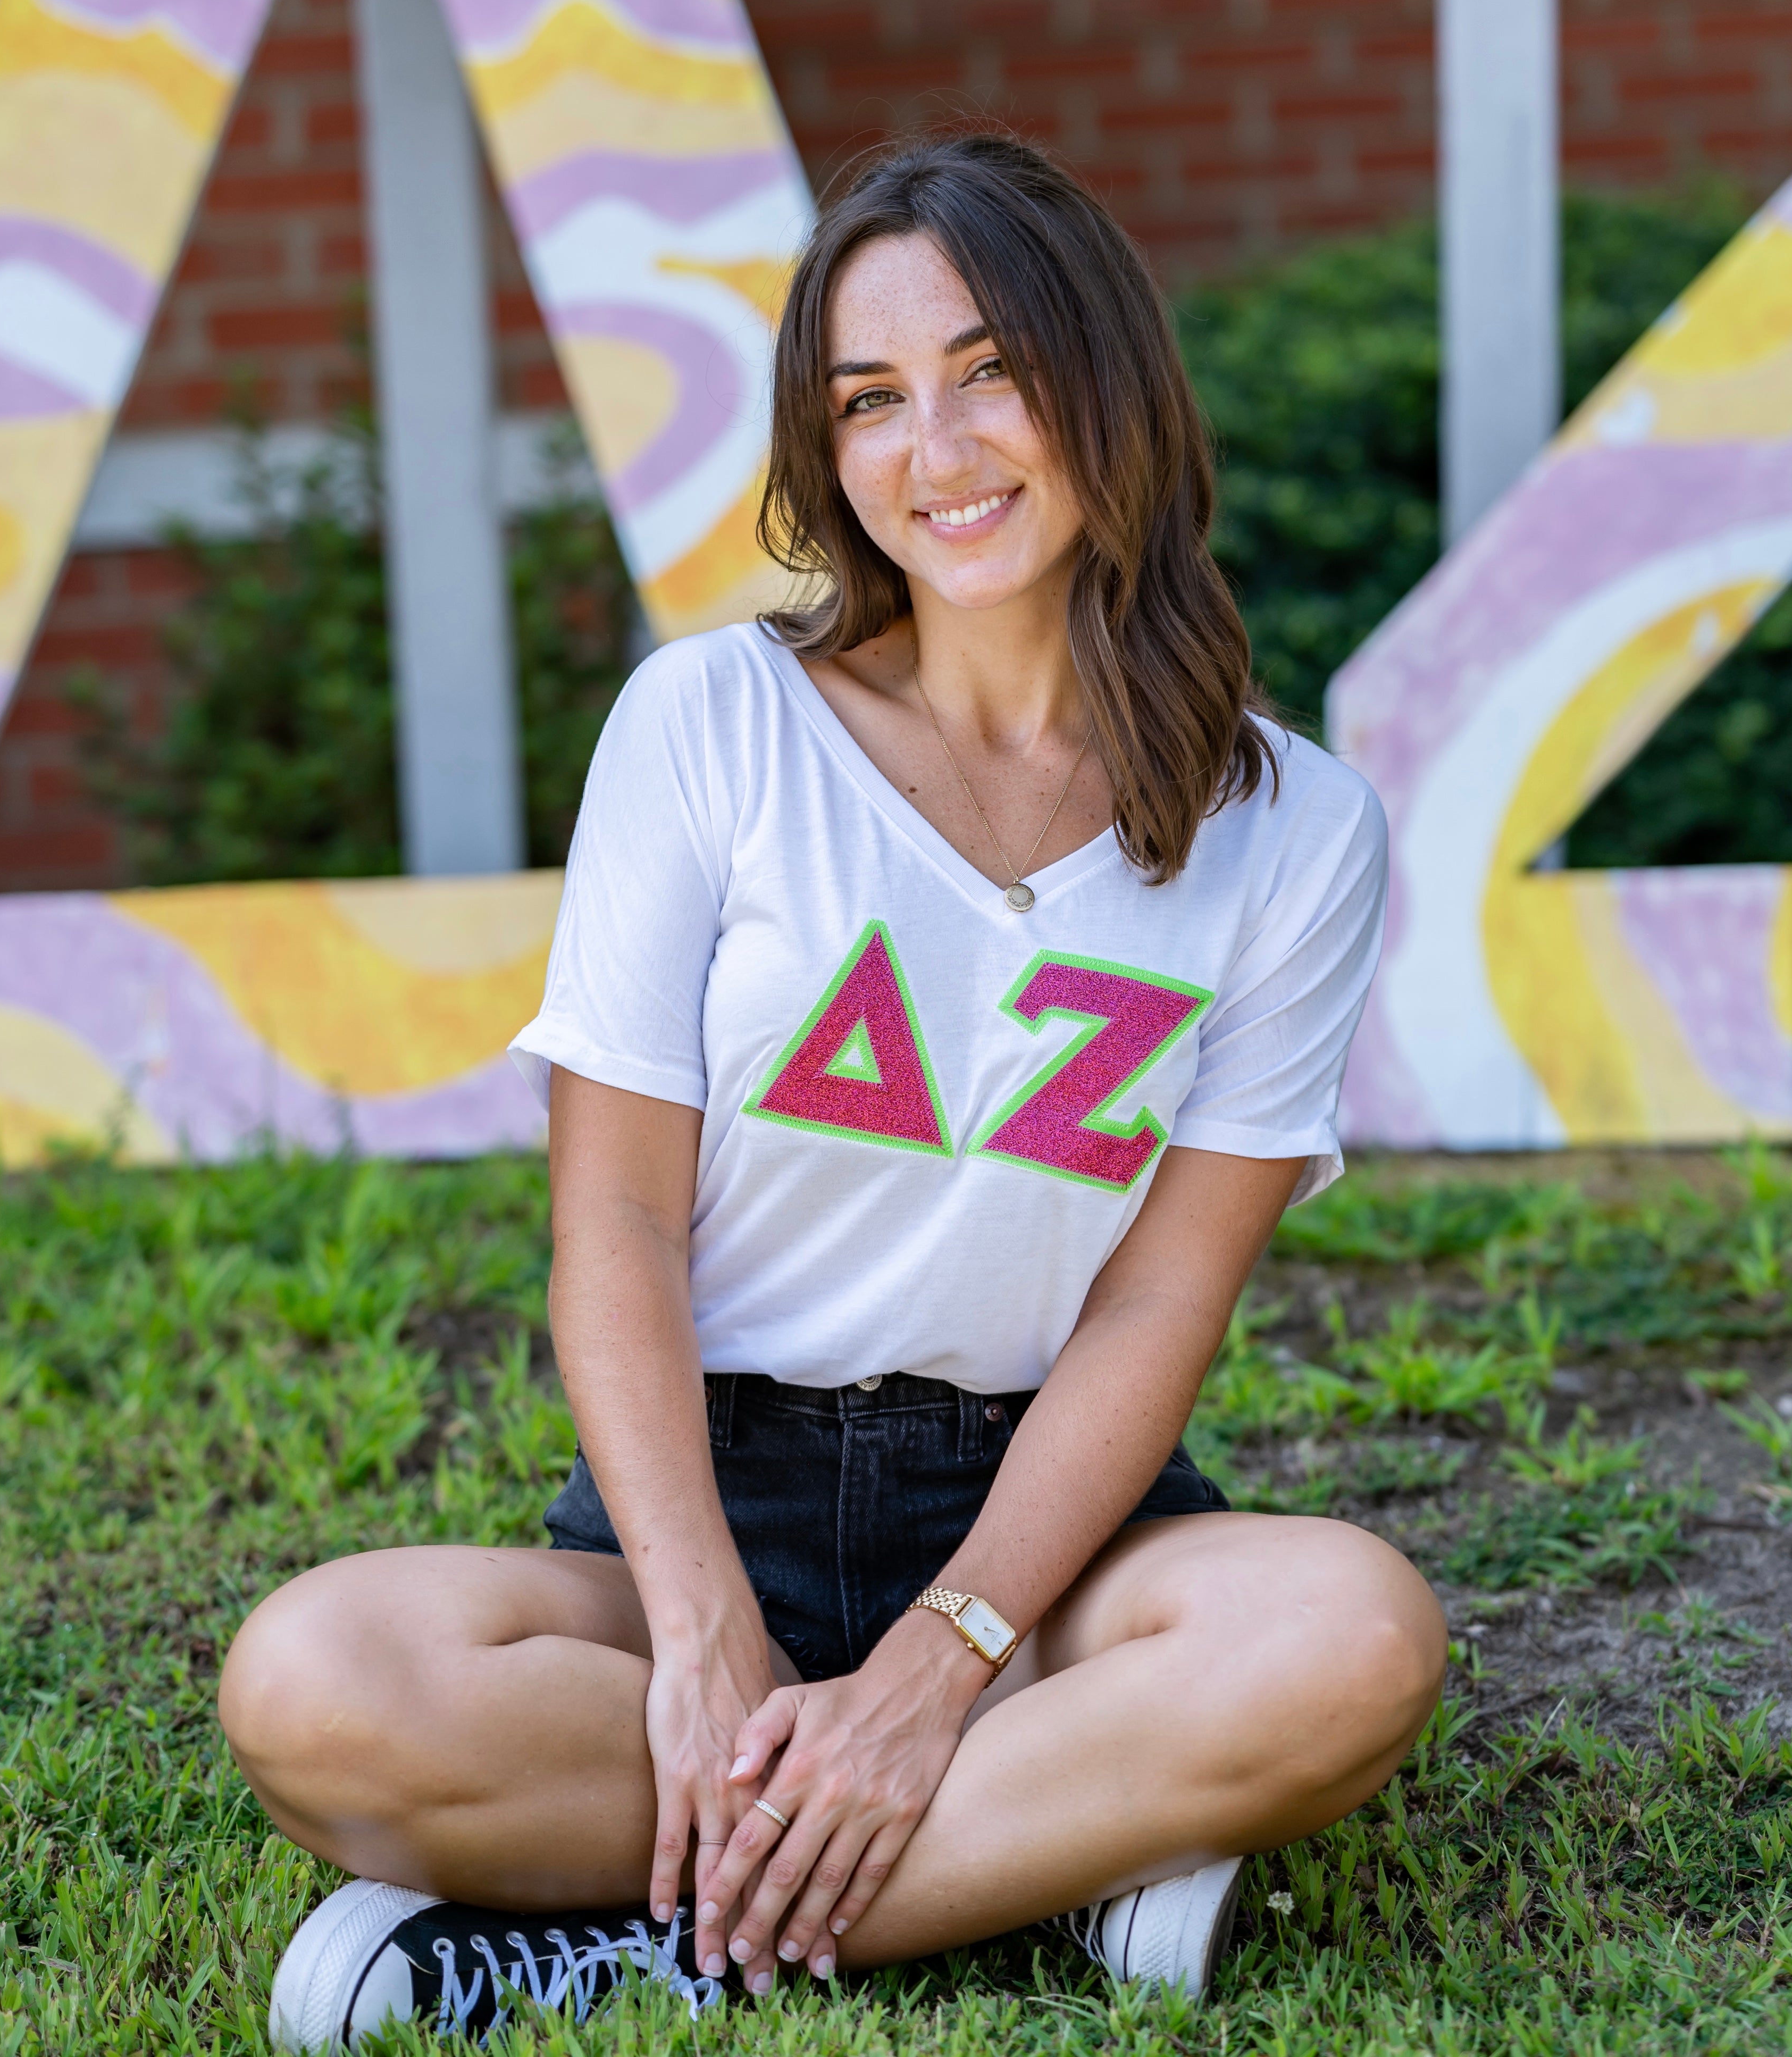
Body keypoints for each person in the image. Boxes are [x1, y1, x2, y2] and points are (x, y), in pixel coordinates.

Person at [222, 131, 1447, 2048]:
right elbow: (614, 1218)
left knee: (1354, 1637)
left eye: (991, 374)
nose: (934, 453)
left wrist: (948, 1654)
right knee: (318, 1683)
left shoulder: (1292, 835)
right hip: (710, 1496)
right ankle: (1051, 1858)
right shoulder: (713, 727)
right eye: (869, 401)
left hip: (1050, 1528)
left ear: (1104, 384)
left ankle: (658, 1936)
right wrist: (705, 1627)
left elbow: (1157, 1305)